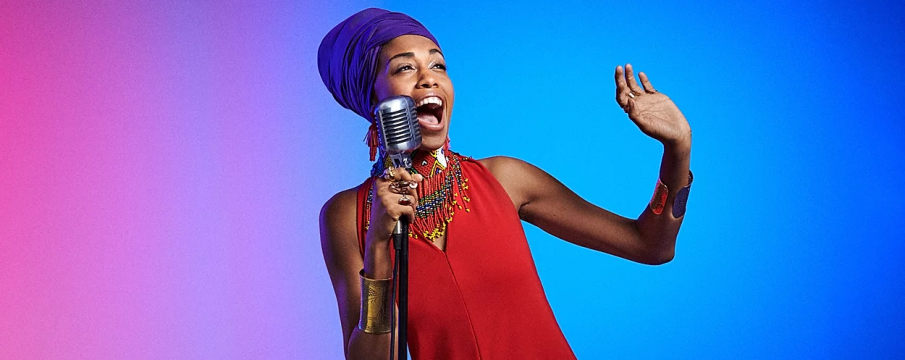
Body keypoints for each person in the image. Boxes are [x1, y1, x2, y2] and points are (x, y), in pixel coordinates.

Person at [317, 8, 692, 360]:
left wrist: (677, 149)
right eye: (404, 68)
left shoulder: (503, 179)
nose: (429, 77)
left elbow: (650, 245)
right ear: (372, 97)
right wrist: (379, 247)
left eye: (438, 65)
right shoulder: (348, 216)